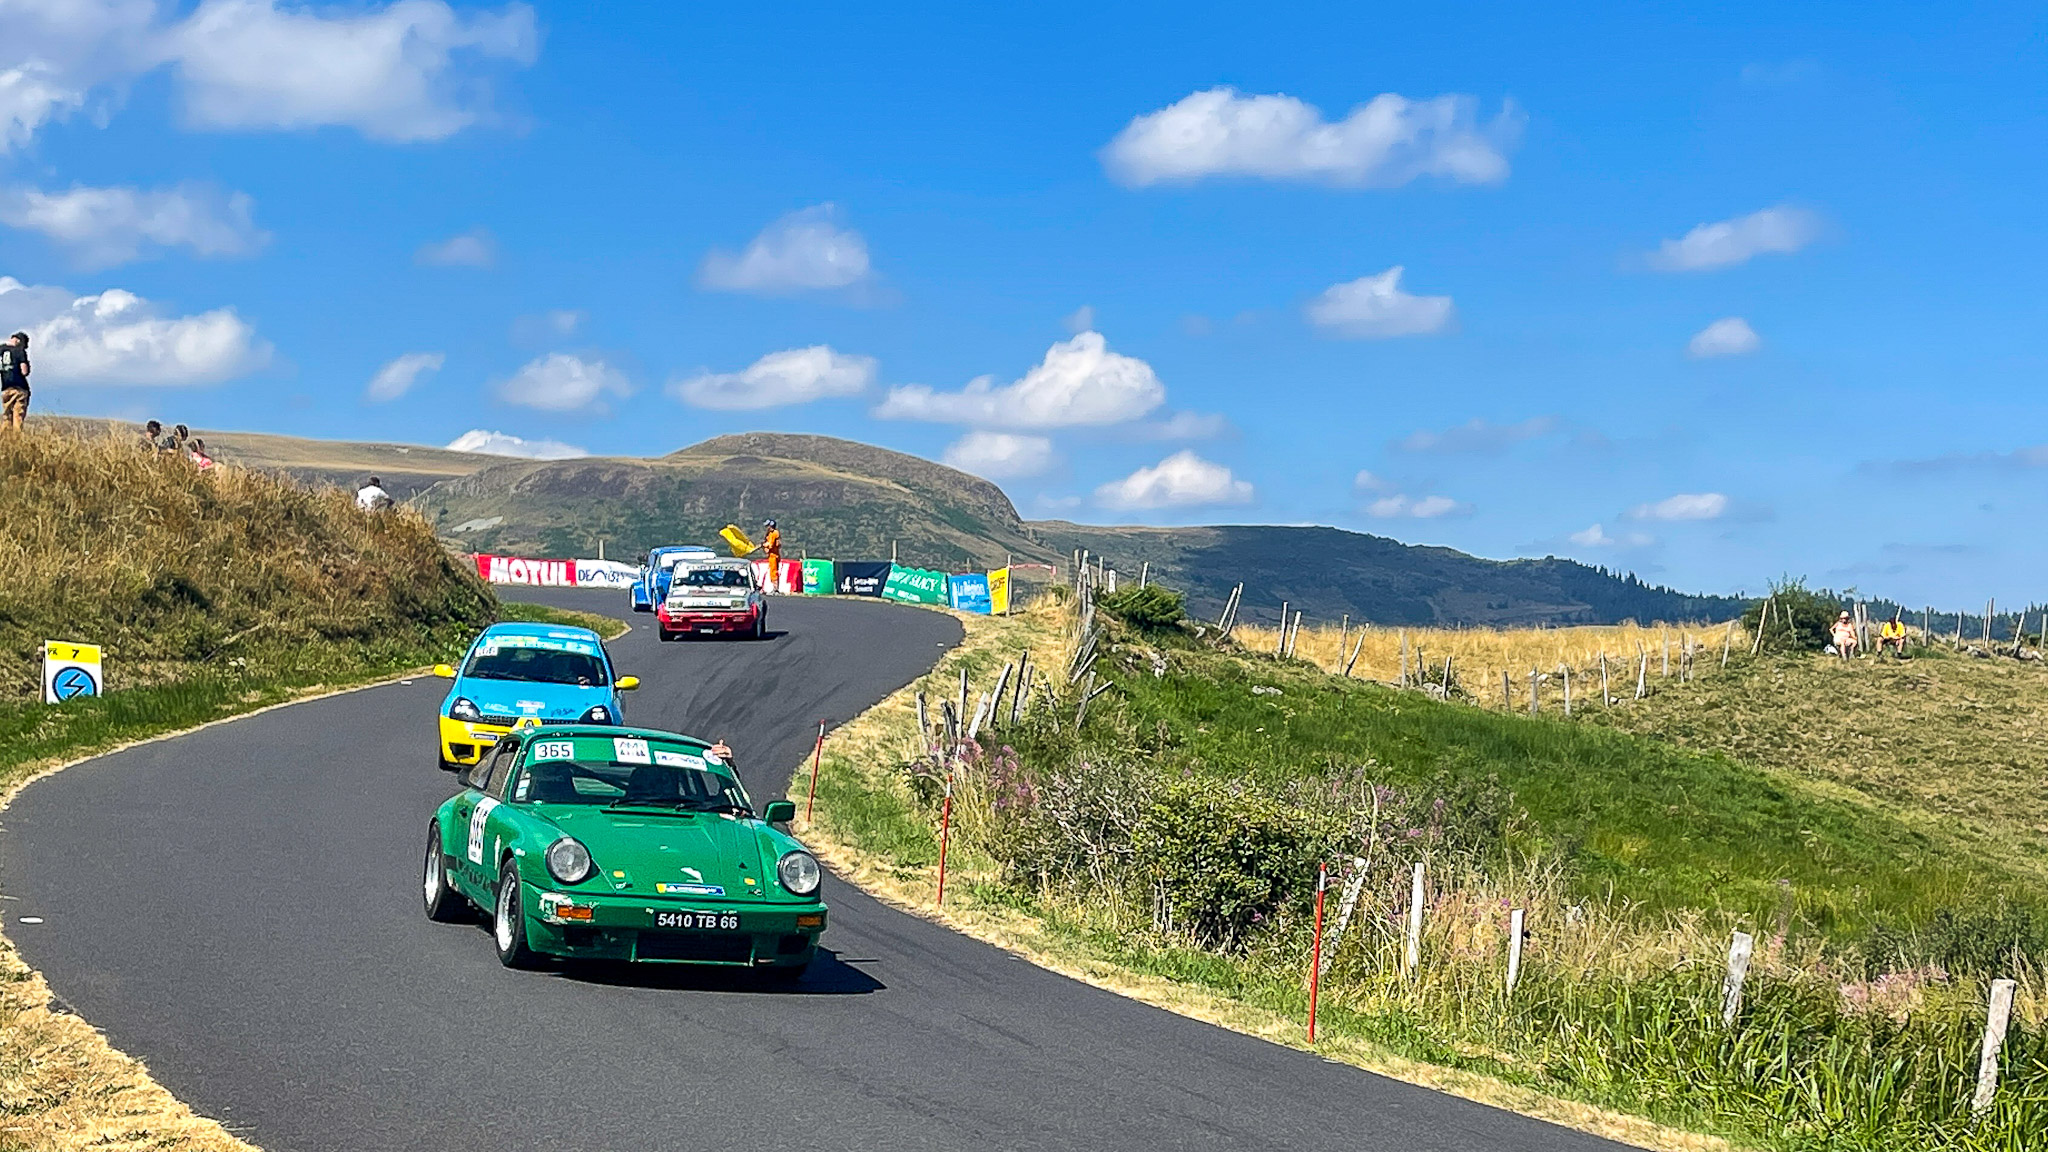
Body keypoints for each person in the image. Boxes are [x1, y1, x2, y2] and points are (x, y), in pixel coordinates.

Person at [0, 331, 29, 432]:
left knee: (7, 415)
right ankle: (17, 439)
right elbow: (24, 371)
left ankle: (5, 439)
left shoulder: (1, 350)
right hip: (19, 388)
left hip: (6, 388)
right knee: (18, 417)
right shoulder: (19, 351)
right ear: (18, 340)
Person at [760, 518, 783, 593]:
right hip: (771, 555)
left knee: (774, 572)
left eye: (768, 526)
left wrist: (763, 545)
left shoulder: (774, 533)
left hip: (774, 555)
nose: (767, 528)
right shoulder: (769, 534)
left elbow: (770, 545)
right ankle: (774, 588)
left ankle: (775, 588)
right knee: (772, 571)